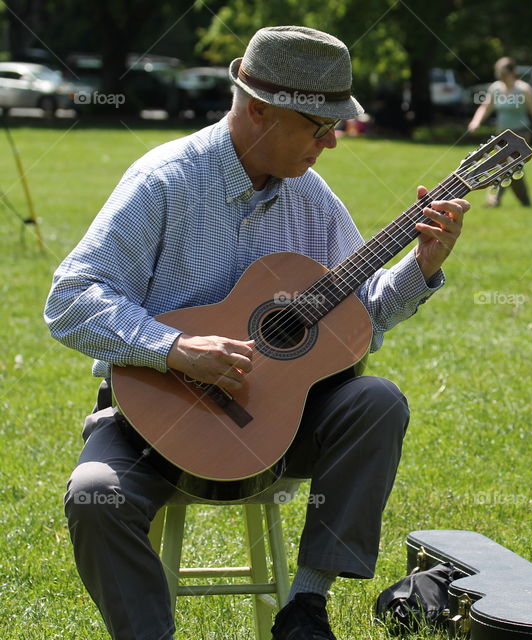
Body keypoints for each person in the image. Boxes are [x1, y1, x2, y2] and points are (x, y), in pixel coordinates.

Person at [43, 26, 469, 640]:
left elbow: (358, 320)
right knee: (93, 496)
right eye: (318, 128)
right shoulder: (163, 182)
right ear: (259, 109)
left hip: (280, 422)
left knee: (377, 401)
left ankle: (306, 606)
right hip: (155, 420)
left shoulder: (313, 199)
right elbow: (70, 299)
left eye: (334, 128)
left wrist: (421, 268)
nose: (331, 144)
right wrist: (174, 349)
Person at [467, 56, 532, 206]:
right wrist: (476, 121)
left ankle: (494, 199)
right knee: (511, 167)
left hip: (521, 134)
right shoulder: (495, 88)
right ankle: (525, 202)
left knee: (507, 165)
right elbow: (486, 106)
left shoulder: (524, 90)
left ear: (512, 72)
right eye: (499, 74)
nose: (501, 77)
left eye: (504, 74)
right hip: (502, 135)